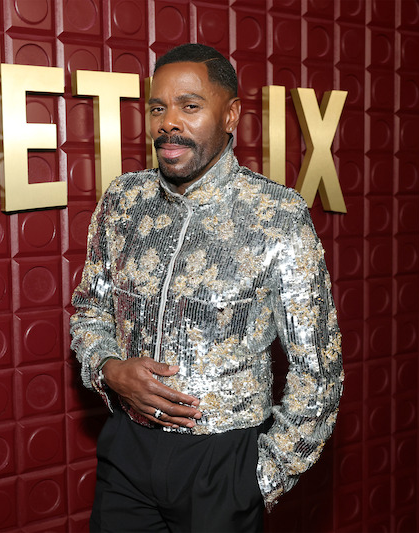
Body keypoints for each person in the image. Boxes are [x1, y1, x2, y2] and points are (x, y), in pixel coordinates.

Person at [70, 43, 343, 532]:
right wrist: (110, 369)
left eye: (189, 106)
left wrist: (259, 477)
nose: (168, 122)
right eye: (158, 107)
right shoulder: (123, 201)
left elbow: (318, 371)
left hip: (224, 466)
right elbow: (90, 310)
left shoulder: (277, 216)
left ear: (231, 114)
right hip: (126, 456)